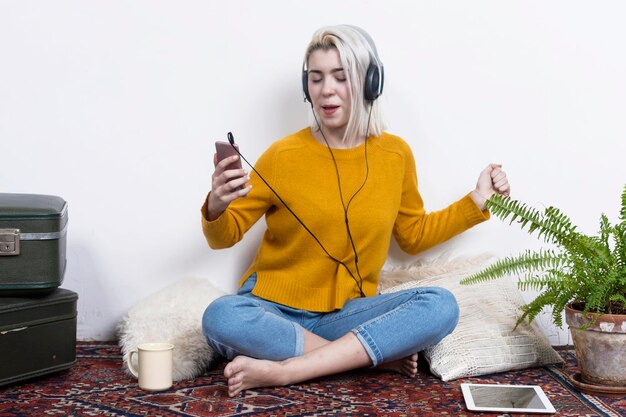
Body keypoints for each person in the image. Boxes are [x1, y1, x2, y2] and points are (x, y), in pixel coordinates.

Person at [201, 24, 510, 398]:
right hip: (271, 313)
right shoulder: (283, 155)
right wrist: (217, 203)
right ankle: (364, 357)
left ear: (369, 83)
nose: (326, 89)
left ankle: (284, 371)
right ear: (306, 88)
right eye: (316, 79)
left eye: (340, 77)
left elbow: (413, 237)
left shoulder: (395, 154)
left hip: (344, 317)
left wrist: (477, 201)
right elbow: (225, 236)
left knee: (440, 305)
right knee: (221, 316)